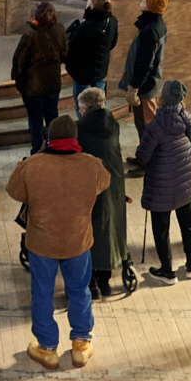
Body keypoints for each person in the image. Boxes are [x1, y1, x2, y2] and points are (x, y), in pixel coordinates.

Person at [6, 113, 111, 369]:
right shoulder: (91, 165)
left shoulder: (33, 165)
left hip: (43, 243)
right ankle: (81, 346)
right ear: (75, 138)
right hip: (77, 242)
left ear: (48, 139)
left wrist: (36, 157)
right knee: (79, 291)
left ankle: (47, 349)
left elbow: (14, 191)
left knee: (42, 293)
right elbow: (104, 182)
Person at [135, 79, 191, 285]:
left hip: (161, 186)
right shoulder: (188, 119)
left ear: (161, 99)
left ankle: (167, 271)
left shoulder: (155, 127)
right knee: (188, 223)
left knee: (161, 228)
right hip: (186, 180)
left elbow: (142, 157)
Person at [76, 87, 128, 298]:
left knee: (90, 230)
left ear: (83, 108)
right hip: (114, 183)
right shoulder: (113, 125)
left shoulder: (79, 128)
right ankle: (105, 281)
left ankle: (92, 284)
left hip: (91, 185)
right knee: (110, 227)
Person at [11, 1, 69, 153]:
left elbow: (19, 61)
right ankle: (54, 149)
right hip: (52, 84)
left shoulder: (30, 34)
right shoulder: (60, 30)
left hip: (32, 88)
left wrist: (18, 80)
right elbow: (65, 55)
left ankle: (37, 152)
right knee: (52, 119)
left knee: (35, 121)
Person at [118, 0, 169, 152]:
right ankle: (144, 156)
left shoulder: (151, 30)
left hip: (145, 87)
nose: (141, 0)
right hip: (149, 84)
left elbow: (145, 63)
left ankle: (148, 162)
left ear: (151, 5)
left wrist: (134, 87)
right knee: (143, 124)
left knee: (146, 126)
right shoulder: (155, 25)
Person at [64, 0, 118, 108]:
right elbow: (112, 44)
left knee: (83, 106)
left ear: (92, 6)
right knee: (100, 103)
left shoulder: (85, 27)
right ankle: (103, 123)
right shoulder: (112, 22)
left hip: (83, 74)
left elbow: (74, 53)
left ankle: (86, 125)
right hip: (100, 71)